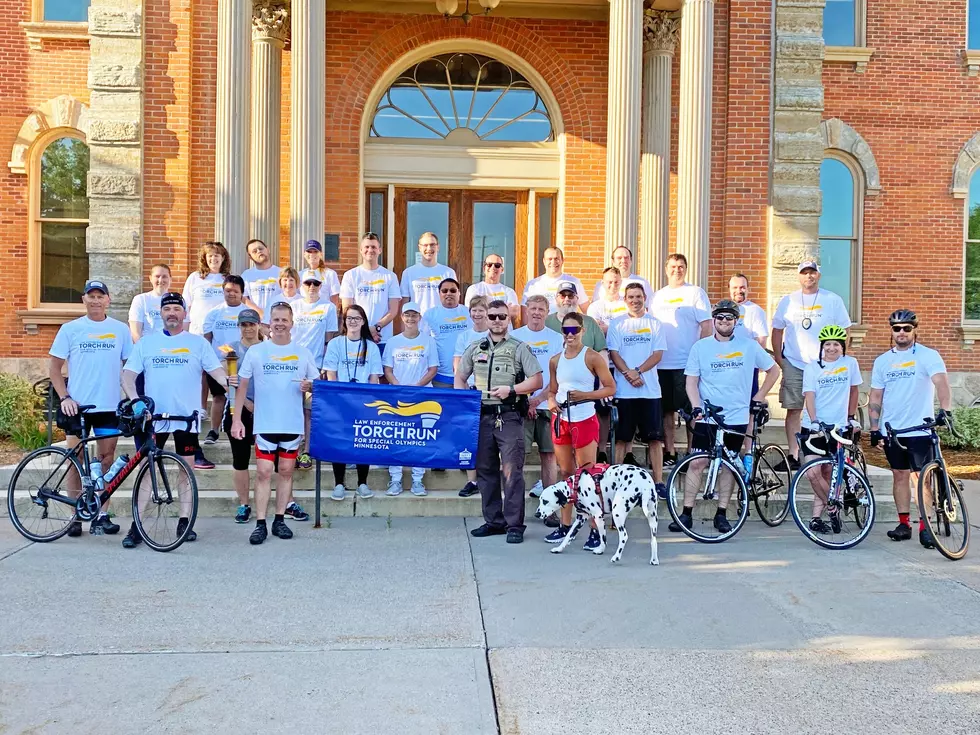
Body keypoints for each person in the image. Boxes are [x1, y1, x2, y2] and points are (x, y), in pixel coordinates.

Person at [122, 292, 227, 548]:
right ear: (161, 313)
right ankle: (137, 525)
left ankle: (184, 520)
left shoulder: (198, 343)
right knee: (147, 471)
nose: (172, 313)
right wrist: (136, 400)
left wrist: (236, 383)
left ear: (184, 313)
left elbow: (218, 373)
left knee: (186, 469)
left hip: (186, 418)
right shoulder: (147, 343)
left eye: (176, 309)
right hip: (154, 417)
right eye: (167, 308)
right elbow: (127, 375)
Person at [670, 299, 780, 534]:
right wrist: (697, 406)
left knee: (728, 464)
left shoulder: (749, 345)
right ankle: (686, 512)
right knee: (698, 462)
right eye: (719, 317)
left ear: (736, 321)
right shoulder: (701, 347)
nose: (724, 321)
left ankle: (721, 513)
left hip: (737, 415)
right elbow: (691, 381)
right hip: (708, 415)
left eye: (729, 318)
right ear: (714, 319)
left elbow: (774, 370)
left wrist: (759, 395)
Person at [49, 279, 133, 537]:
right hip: (78, 407)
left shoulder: (120, 330)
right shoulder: (70, 329)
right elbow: (54, 368)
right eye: (91, 296)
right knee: (76, 461)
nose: (96, 300)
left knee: (106, 461)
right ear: (84, 300)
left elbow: (130, 368)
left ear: (108, 300)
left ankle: (102, 514)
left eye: (100, 296)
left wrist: (132, 397)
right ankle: (75, 514)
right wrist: (65, 398)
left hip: (109, 405)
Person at [456, 300, 543, 544]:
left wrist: (512, 390)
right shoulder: (476, 347)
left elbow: (536, 381)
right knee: (485, 471)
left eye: (501, 317)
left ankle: (514, 524)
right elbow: (460, 376)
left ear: (509, 319)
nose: (496, 321)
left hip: (509, 416)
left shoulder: (519, 348)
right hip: (482, 416)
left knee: (512, 472)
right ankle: (494, 521)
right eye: (492, 316)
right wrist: (465, 403)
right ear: (486, 319)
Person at [232, 302, 318, 545]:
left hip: (291, 423)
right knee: (263, 472)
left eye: (284, 320)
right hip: (265, 423)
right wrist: (237, 419)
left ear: (292, 323)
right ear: (269, 323)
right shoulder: (257, 352)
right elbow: (243, 385)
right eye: (276, 319)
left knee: (286, 472)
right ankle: (261, 523)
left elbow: (316, 383)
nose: (280, 324)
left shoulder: (303, 353)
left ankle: (279, 520)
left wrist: (309, 386)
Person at [868, 309, 953, 547]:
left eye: (907, 328)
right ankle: (904, 524)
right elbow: (876, 395)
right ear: (892, 332)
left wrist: (945, 411)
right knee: (899, 476)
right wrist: (874, 428)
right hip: (893, 430)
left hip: (920, 429)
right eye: (897, 329)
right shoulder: (883, 361)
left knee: (921, 479)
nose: (902, 332)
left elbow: (941, 383)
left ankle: (926, 528)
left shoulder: (928, 356)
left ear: (915, 330)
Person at [544, 311, 616, 549]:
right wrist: (552, 401)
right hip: (562, 419)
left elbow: (610, 388)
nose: (570, 334)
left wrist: (585, 396)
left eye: (575, 330)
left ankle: (595, 530)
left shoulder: (593, 357)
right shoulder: (555, 359)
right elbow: (552, 389)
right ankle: (565, 526)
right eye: (566, 330)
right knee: (566, 473)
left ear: (583, 331)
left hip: (584, 418)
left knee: (587, 477)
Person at [771, 260, 851, 469]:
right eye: (804, 273)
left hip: (824, 365)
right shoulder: (788, 301)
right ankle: (794, 454)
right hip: (796, 363)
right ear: (799, 276)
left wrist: (840, 357)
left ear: (819, 275)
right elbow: (777, 329)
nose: (809, 276)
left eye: (812, 272)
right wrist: (780, 358)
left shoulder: (832, 300)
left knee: (821, 408)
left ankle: (822, 450)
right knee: (794, 408)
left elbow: (845, 330)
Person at [650, 253, 712, 467]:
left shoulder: (696, 293)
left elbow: (706, 326)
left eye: (681, 266)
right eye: (673, 266)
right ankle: (670, 452)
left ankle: (691, 451)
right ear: (666, 269)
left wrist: (700, 356)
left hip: (687, 363)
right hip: (662, 363)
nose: (677, 270)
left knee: (691, 411)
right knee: (666, 411)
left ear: (686, 269)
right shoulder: (657, 296)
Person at [800, 325, 862, 535]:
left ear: (842, 346)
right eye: (828, 344)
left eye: (836, 344)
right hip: (815, 427)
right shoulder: (812, 367)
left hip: (839, 427)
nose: (832, 348)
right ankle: (833, 505)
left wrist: (851, 418)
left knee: (827, 472)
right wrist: (815, 420)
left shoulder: (850, 363)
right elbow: (809, 395)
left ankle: (816, 518)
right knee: (812, 473)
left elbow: (854, 391)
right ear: (822, 347)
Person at [608, 283, 667, 488]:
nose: (635, 300)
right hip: (624, 392)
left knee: (655, 439)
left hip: (650, 392)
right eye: (631, 297)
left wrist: (638, 371)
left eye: (638, 296)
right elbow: (614, 353)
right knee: (622, 439)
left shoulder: (655, 324)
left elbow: (658, 353)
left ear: (645, 298)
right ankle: (614, 481)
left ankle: (658, 481)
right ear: (625, 300)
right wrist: (629, 374)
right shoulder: (617, 324)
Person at [324, 304, 383, 500]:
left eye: (357, 318)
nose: (353, 321)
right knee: (340, 441)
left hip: (363, 402)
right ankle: (339, 483)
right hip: (341, 401)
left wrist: (370, 402)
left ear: (363, 321)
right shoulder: (336, 344)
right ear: (344, 321)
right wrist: (336, 398)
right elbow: (331, 373)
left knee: (362, 441)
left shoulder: (371, 347)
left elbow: (374, 377)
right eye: (349, 318)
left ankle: (362, 483)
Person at [383, 301, 439, 496]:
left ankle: (417, 480)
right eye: (407, 315)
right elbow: (387, 370)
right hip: (397, 396)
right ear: (402, 317)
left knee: (419, 439)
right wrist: (398, 387)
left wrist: (417, 387)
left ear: (419, 318)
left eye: (414, 315)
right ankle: (395, 479)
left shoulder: (428, 341)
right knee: (396, 437)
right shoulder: (393, 341)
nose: (410, 318)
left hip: (422, 396)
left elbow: (433, 369)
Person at [511, 294, 564, 500]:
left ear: (547, 312)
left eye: (541, 309)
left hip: (547, 405)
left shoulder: (556, 338)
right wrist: (526, 400)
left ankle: (550, 505)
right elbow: (512, 373)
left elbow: (558, 375)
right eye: (532, 308)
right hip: (519, 406)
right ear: (526, 310)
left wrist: (538, 399)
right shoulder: (515, 336)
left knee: (549, 455)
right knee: (516, 457)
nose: (536, 313)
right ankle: (515, 508)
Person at [291, 269, 339, 470]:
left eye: (316, 284)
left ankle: (306, 451)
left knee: (309, 411)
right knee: (293, 409)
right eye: (308, 283)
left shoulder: (328, 307)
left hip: (316, 366)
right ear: (302, 285)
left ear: (321, 286)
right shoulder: (293, 306)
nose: (312, 287)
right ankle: (291, 450)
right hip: (292, 363)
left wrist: (324, 369)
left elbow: (330, 339)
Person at [223, 309, 262, 524]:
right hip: (238, 410)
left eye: (252, 324)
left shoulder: (267, 348)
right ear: (239, 326)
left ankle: (284, 502)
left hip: (265, 410)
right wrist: (245, 402)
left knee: (271, 461)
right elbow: (228, 380)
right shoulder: (230, 349)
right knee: (240, 460)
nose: (248, 328)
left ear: (258, 325)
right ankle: (244, 504)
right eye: (244, 324)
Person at [201, 274, 247, 450]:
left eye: (235, 291)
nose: (231, 294)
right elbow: (207, 339)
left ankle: (243, 429)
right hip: (218, 364)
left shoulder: (247, 313)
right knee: (219, 397)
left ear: (242, 292)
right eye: (228, 290)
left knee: (243, 397)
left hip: (243, 364)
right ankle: (213, 430)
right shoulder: (214, 313)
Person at [454, 295, 491, 498]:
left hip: (491, 394)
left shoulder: (494, 333)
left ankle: (489, 478)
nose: (477, 314)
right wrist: (463, 386)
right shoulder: (464, 336)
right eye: (474, 310)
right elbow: (458, 364)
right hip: (470, 393)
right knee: (471, 437)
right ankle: (472, 480)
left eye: (481, 310)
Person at [340, 232, 400, 352]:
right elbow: (347, 308)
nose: (370, 250)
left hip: (382, 338)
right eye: (366, 247)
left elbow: (393, 310)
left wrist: (376, 327)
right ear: (361, 250)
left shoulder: (390, 276)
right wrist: (364, 329)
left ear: (380, 250)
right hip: (357, 337)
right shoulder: (350, 275)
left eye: (373, 247)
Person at [424, 278, 472, 388]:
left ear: (459, 293)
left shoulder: (469, 313)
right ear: (439, 293)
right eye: (444, 291)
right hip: (441, 376)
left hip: (468, 376)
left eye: (453, 290)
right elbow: (423, 342)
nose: (448, 293)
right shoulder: (430, 315)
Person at [400, 231, 457, 315]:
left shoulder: (448, 273)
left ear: (438, 247)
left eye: (432, 245)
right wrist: (405, 328)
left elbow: (453, 301)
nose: (429, 248)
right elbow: (404, 304)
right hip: (416, 325)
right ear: (419, 248)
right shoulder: (408, 273)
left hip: (441, 323)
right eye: (425, 245)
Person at [522, 246, 588, 317]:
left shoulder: (574, 282)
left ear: (562, 260)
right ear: (544, 261)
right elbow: (525, 313)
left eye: (556, 258)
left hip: (566, 326)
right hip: (542, 327)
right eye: (550, 259)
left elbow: (587, 310)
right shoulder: (533, 285)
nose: (553, 262)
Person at [183, 241, 231, 335]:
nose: (213, 258)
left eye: (217, 255)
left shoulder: (229, 279)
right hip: (198, 331)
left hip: (222, 331)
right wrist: (184, 332)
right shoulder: (195, 277)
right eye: (210, 255)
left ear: (223, 258)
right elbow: (185, 305)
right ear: (205, 258)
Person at [545, 280, 606, 353]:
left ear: (577, 298)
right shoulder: (546, 322)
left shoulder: (590, 322)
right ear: (556, 298)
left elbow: (602, 351)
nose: (566, 299)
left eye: (571, 296)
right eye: (563, 296)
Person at [463, 253, 520, 326]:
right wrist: (504, 312)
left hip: (504, 335)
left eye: (497, 265)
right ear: (484, 268)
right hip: (482, 335)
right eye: (489, 265)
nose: (493, 268)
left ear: (502, 270)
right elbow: (472, 313)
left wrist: (486, 309)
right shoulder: (474, 289)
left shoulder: (509, 291)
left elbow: (514, 312)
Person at [590, 246, 653, 310]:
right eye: (619, 258)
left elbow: (649, 308)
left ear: (631, 261)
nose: (623, 261)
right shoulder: (601, 285)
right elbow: (594, 308)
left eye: (626, 258)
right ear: (613, 261)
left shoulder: (642, 283)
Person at [242, 239, 284, 323]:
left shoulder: (282, 273)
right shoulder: (246, 275)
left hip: (279, 320)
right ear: (250, 257)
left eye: (261, 249)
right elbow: (244, 298)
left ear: (268, 250)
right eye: (254, 251)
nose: (258, 251)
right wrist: (260, 313)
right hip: (256, 321)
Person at [128, 263, 171, 343]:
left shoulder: (177, 301)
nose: (160, 280)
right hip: (148, 348)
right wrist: (143, 350)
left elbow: (184, 328)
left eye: (164, 276)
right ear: (150, 278)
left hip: (172, 349)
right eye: (157, 276)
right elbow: (135, 332)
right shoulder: (141, 299)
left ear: (170, 279)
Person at [729, 273, 768, 348]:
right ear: (729, 289)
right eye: (735, 287)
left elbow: (761, 340)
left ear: (748, 289)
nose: (738, 291)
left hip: (746, 357)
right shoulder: (722, 310)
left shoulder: (756, 310)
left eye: (742, 287)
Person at [587, 267, 628, 335]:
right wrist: (620, 328)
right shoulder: (594, 307)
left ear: (621, 282)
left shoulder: (628, 305)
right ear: (602, 283)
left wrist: (606, 328)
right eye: (610, 282)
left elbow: (631, 328)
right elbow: (595, 330)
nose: (613, 285)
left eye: (616, 282)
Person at [302, 239, 341, 307]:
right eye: (309, 251)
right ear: (304, 254)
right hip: (304, 314)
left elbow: (334, 299)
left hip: (323, 314)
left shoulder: (330, 274)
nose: (312, 254)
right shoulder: (300, 274)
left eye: (315, 251)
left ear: (321, 254)